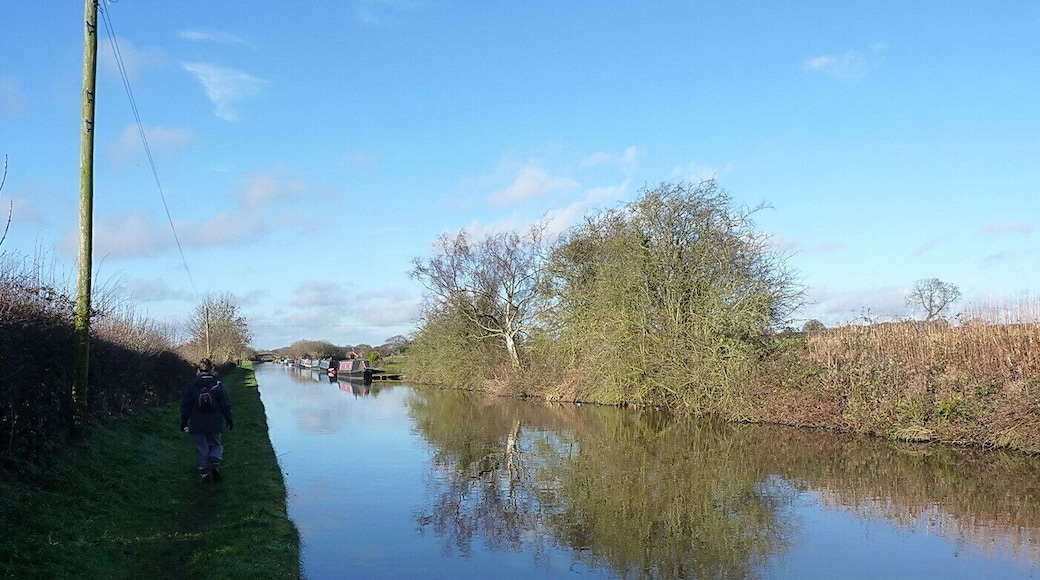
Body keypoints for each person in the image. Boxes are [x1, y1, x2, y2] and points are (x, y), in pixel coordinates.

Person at [180, 358, 234, 482]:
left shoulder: (193, 385)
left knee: (201, 447)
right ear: (212, 370)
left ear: (198, 370)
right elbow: (225, 404)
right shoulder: (217, 384)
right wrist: (229, 419)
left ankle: (204, 473)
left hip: (197, 422)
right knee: (215, 444)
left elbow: (185, 405)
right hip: (215, 422)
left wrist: (184, 421)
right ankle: (215, 463)